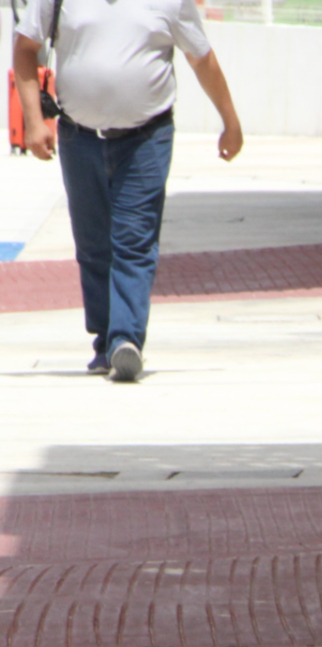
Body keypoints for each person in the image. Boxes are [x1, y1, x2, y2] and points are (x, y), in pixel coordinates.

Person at [13, 0, 242, 382]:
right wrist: (34, 123)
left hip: (146, 139)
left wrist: (230, 122)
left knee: (134, 240)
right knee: (93, 245)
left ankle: (125, 339)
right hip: (78, 136)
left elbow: (201, 58)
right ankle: (106, 342)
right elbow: (24, 48)